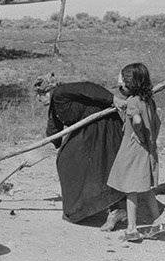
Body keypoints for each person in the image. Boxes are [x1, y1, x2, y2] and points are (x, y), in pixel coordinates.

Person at [37, 77, 125, 226]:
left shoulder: (61, 92)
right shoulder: (56, 104)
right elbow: (54, 127)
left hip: (104, 126)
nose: (38, 101)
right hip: (89, 130)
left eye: (39, 97)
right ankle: (83, 207)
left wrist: (113, 98)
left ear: (46, 92)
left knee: (78, 160)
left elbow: (88, 87)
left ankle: (117, 209)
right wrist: (50, 146)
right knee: (65, 159)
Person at [106, 62, 162, 241]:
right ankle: (158, 223)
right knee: (147, 188)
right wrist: (150, 139)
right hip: (147, 149)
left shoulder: (132, 102)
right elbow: (157, 122)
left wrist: (138, 135)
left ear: (129, 84)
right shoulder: (148, 100)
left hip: (133, 150)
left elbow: (137, 120)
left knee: (131, 189)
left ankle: (131, 228)